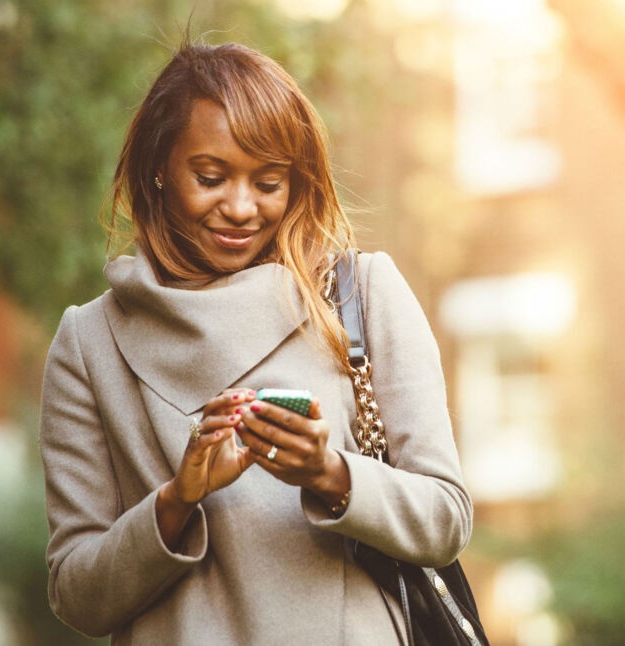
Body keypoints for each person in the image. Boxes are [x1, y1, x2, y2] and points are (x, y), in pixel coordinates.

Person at [38, 40, 473, 644]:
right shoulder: (90, 343)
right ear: (159, 167)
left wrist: (329, 471)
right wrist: (177, 499)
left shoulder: (359, 295)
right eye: (210, 177)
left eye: (269, 182)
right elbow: (76, 595)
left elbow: (446, 519)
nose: (241, 209)